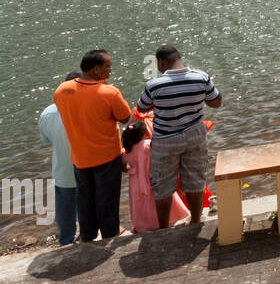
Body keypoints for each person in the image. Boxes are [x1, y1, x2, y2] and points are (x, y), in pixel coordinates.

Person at [136, 45, 221, 228]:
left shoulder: (154, 84)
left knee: (163, 184)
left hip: (164, 140)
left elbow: (142, 107)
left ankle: (164, 227)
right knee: (195, 179)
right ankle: (196, 221)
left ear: (161, 62)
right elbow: (216, 102)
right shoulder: (201, 77)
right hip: (195, 136)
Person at [53, 50, 132, 242]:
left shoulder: (62, 90)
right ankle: (109, 234)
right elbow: (125, 117)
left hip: (80, 157)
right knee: (107, 199)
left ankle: (87, 236)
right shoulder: (109, 92)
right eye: (108, 66)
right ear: (96, 69)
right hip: (106, 156)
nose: (111, 70)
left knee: (85, 199)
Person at [39, 71, 82, 246]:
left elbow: (47, 141)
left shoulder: (47, 114)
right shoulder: (86, 109)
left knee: (65, 210)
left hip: (62, 170)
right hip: (87, 167)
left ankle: (65, 241)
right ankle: (89, 235)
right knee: (88, 205)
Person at [122, 119, 188, 233]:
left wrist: (131, 169)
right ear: (144, 133)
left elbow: (122, 166)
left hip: (136, 183)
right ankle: (166, 222)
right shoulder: (149, 144)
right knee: (159, 200)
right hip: (154, 177)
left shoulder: (126, 151)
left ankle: (143, 226)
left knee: (140, 204)